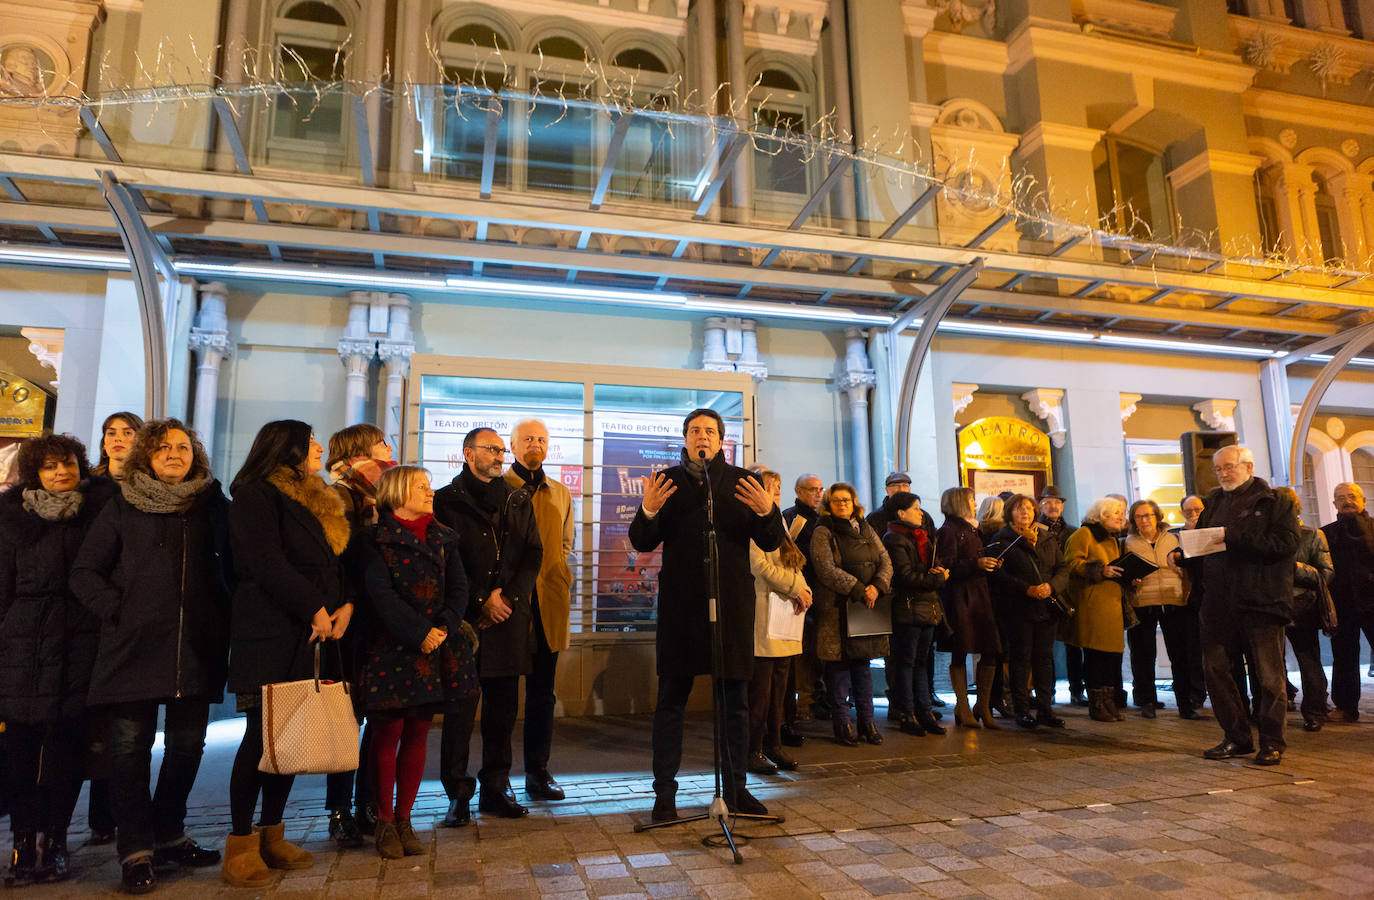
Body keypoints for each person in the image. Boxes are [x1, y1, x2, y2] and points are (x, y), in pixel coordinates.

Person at [70, 419, 231, 894]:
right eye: (163, 448)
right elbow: (85, 572)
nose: (175, 455)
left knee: (186, 749)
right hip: (132, 649)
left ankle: (168, 833)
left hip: (196, 648)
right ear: (147, 456)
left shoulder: (212, 508)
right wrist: (119, 611)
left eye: (183, 447)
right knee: (128, 753)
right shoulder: (122, 507)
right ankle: (135, 850)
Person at [628, 408, 784, 822]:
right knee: (671, 702)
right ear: (685, 438)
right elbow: (642, 542)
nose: (703, 437)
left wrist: (769, 512)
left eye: (710, 432)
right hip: (682, 607)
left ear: (721, 440)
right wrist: (647, 509)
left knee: (735, 702)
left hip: (731, 606)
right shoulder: (667, 482)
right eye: (695, 430)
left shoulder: (740, 483)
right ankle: (664, 795)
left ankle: (735, 790)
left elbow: (771, 542)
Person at [221, 421, 352, 888]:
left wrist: (343, 605)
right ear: (288, 447)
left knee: (290, 740)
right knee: (260, 739)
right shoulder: (256, 494)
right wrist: (314, 606)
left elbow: (333, 562)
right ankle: (239, 842)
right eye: (312, 439)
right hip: (272, 631)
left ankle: (272, 833)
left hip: (314, 632)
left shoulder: (315, 496)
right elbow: (264, 562)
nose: (319, 446)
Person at [0, 435, 116, 885]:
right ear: (35, 473)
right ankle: (23, 840)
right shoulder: (13, 518)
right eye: (49, 467)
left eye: (66, 464)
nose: (60, 473)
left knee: (68, 746)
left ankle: (56, 839)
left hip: (81, 637)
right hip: (23, 643)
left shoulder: (98, 511)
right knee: (21, 750)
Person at [358, 466, 468, 859]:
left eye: (428, 485)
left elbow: (459, 588)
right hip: (391, 648)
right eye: (420, 486)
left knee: (419, 733)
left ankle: (406, 820)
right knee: (387, 734)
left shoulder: (444, 537)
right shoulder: (373, 539)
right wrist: (418, 633)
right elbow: (379, 594)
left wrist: (444, 627)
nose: (429, 491)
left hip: (435, 648)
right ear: (397, 492)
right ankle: (384, 822)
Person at [433, 427, 541, 823]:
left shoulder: (517, 498)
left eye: (500, 449)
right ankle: (457, 793)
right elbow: (445, 560)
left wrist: (507, 599)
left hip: (509, 619)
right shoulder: (445, 501)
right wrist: (482, 599)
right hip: (466, 621)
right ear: (468, 454)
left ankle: (497, 787)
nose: (499, 456)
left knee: (502, 711)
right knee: (460, 713)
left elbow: (533, 554)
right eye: (491, 449)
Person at [1188, 445, 1298, 766]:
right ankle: (1236, 738)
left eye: (1229, 467)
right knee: (1217, 672)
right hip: (1219, 606)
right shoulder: (1213, 502)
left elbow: (1286, 545)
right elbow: (1207, 547)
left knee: (1268, 678)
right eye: (1218, 469)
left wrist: (1231, 536)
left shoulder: (1275, 502)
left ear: (1248, 466)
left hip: (1262, 603)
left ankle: (1272, 743)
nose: (1222, 474)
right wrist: (1185, 555)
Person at [323, 422, 397, 846]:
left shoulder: (383, 496)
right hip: (349, 622)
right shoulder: (338, 495)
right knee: (346, 719)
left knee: (378, 715)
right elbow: (337, 560)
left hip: (379, 620)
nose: (389, 446)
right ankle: (339, 809)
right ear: (361, 449)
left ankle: (370, 801)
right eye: (382, 440)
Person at [503, 419, 574, 803]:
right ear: (512, 447)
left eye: (542, 440)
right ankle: (498, 777)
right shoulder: (499, 490)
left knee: (542, 694)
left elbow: (564, 544)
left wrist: (555, 575)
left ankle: (537, 772)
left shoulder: (560, 494)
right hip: (508, 606)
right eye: (527, 439)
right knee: (502, 695)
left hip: (549, 604)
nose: (535, 445)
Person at [812, 483, 892, 746]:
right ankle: (843, 725)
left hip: (867, 607)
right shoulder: (823, 531)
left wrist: (877, 587)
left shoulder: (865, 528)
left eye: (846, 499)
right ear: (828, 504)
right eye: (836, 500)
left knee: (863, 669)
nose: (842, 504)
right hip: (838, 609)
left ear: (854, 502)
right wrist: (859, 588)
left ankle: (868, 724)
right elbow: (825, 569)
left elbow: (885, 560)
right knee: (838, 672)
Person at [746, 469, 811, 773]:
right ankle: (753, 749)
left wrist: (804, 588)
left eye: (779, 488)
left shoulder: (779, 520)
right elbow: (759, 567)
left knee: (781, 689)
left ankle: (775, 745)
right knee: (761, 690)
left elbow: (791, 560)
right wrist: (796, 587)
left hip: (786, 616)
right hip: (764, 615)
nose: (777, 494)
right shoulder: (749, 520)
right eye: (771, 488)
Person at [989, 493, 1066, 729]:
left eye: (1030, 509)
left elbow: (1062, 567)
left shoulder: (1046, 537)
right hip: (1018, 609)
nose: (1025, 512)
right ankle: (1021, 710)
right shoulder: (1003, 539)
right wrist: (1027, 589)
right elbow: (998, 575)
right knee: (1020, 659)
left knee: (1044, 659)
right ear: (1010, 512)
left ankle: (1045, 709)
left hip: (1046, 606)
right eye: (1020, 508)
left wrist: (1051, 586)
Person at [881, 491, 948, 736]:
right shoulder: (895, 538)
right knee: (906, 663)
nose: (921, 513)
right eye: (916, 508)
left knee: (920, 663)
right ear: (901, 513)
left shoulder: (921, 536)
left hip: (927, 607)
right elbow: (905, 576)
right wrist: (937, 579)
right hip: (908, 608)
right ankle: (907, 714)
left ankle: (925, 712)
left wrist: (936, 571)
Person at [936, 487, 1001, 729]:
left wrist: (989, 560)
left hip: (979, 594)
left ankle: (982, 705)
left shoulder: (970, 528)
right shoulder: (949, 530)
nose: (975, 503)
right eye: (971, 499)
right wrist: (977, 563)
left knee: (991, 648)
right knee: (961, 649)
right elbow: (948, 564)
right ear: (959, 502)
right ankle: (963, 705)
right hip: (960, 597)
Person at [1063, 497, 1129, 723]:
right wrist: (1101, 570)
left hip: (1112, 604)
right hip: (1093, 605)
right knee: (1095, 657)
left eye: (1121, 513)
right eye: (1115, 513)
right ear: (1101, 516)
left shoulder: (1112, 538)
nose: (1121, 517)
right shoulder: (1084, 534)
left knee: (1111, 658)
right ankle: (1097, 705)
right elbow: (1071, 563)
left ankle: (1109, 702)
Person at [1123, 499, 1186, 718]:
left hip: (1173, 599)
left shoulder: (1174, 538)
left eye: (1148, 515)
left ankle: (1185, 702)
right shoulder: (1127, 542)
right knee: (1143, 654)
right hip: (1143, 602)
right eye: (1139, 516)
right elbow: (1124, 572)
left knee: (1179, 654)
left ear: (1157, 516)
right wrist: (1130, 580)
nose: (1144, 520)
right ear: (1134, 520)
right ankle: (1146, 700)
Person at [1278, 487, 1334, 732]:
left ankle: (1315, 710)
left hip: (1303, 607)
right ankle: (1275, 709)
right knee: (1271, 663)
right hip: (1270, 607)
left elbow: (1326, 574)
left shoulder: (1312, 535)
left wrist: (1293, 567)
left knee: (1308, 660)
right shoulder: (1268, 536)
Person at [1322, 483, 1374, 723]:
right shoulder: (1326, 533)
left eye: (1352, 496)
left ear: (1363, 500)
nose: (1347, 501)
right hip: (1342, 604)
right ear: (1334, 504)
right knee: (1343, 656)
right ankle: (1345, 707)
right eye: (1340, 498)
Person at [783, 473, 826, 738]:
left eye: (821, 489)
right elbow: (789, 553)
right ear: (799, 491)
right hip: (801, 591)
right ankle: (804, 701)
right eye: (812, 489)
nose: (818, 494)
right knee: (803, 651)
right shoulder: (792, 517)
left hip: (825, 592)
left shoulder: (826, 517)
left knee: (822, 649)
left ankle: (822, 698)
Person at [1039, 486, 1083, 706]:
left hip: (1068, 592)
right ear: (1040, 506)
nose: (1053, 506)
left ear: (1063, 506)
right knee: (1045, 647)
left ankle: (1077, 689)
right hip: (1044, 590)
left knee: (1073, 644)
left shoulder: (1073, 531)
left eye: (1057, 502)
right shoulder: (1034, 530)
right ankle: (1048, 691)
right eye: (1048, 502)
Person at [1170, 495, 1209, 716]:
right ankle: (1196, 693)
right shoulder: (1175, 536)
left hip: (1213, 597)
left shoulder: (1213, 532)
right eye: (1188, 511)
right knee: (1192, 649)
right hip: (1187, 600)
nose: (1193, 514)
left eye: (1198, 509)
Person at [90, 412, 143, 481]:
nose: (118, 438)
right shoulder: (85, 482)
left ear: (141, 441)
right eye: (111, 433)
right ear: (104, 444)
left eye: (127, 433)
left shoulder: (153, 484)